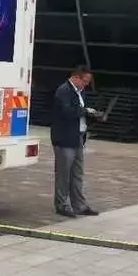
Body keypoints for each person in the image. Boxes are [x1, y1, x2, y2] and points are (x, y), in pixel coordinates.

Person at [50, 66, 101, 218]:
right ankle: (61, 205)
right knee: (64, 174)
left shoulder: (80, 92)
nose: (86, 84)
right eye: (85, 81)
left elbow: (79, 111)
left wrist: (91, 115)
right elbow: (67, 112)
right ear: (76, 77)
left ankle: (79, 205)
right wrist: (86, 111)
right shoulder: (64, 91)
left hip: (78, 137)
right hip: (65, 138)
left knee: (77, 174)